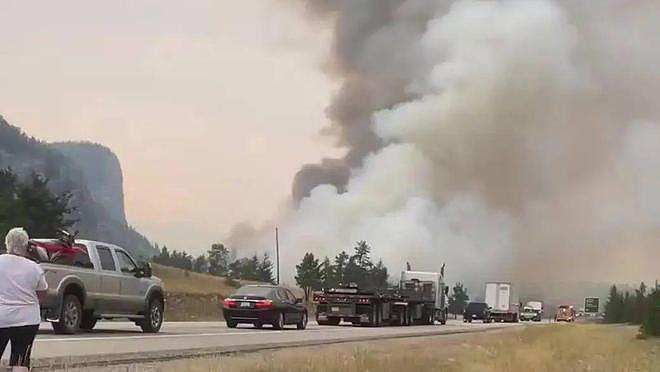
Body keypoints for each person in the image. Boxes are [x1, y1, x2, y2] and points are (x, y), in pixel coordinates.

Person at [0, 228, 48, 371]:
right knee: (20, 360)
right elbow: (43, 292)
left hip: (2, 316)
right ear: (26, 246)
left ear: (7, 243)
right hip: (27, 320)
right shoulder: (34, 267)